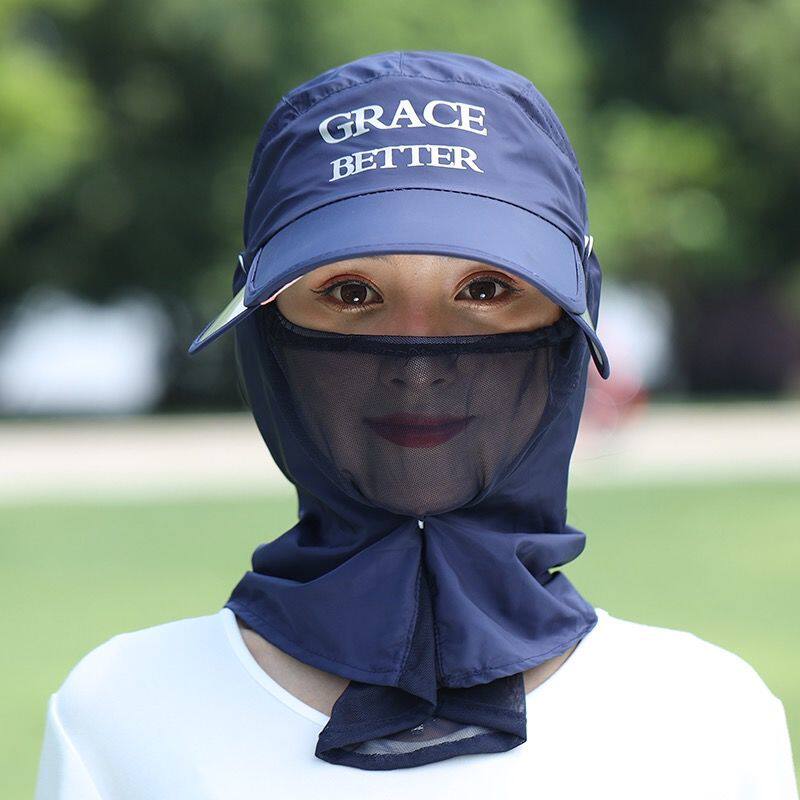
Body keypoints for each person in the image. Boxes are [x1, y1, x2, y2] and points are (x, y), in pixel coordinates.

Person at [34, 50, 798, 798]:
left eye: (486, 289)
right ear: (264, 326)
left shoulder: (711, 725)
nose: (420, 365)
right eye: (351, 293)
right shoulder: (120, 717)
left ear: (574, 319)